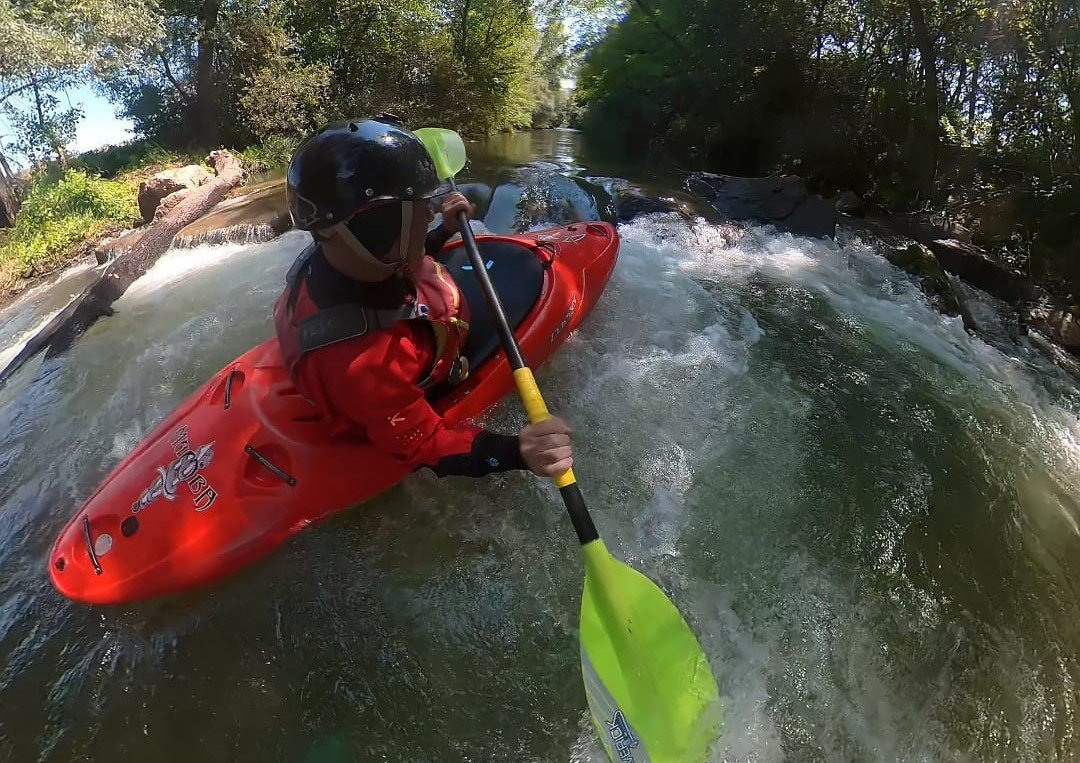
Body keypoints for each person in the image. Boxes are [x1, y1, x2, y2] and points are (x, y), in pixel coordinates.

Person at [274, 117, 573, 479]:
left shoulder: (342, 254)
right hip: (401, 381)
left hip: (408, 330)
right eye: (415, 204)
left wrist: (444, 231)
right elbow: (425, 443)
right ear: (376, 227)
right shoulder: (365, 367)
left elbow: (398, 258)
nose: (429, 211)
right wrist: (516, 453)